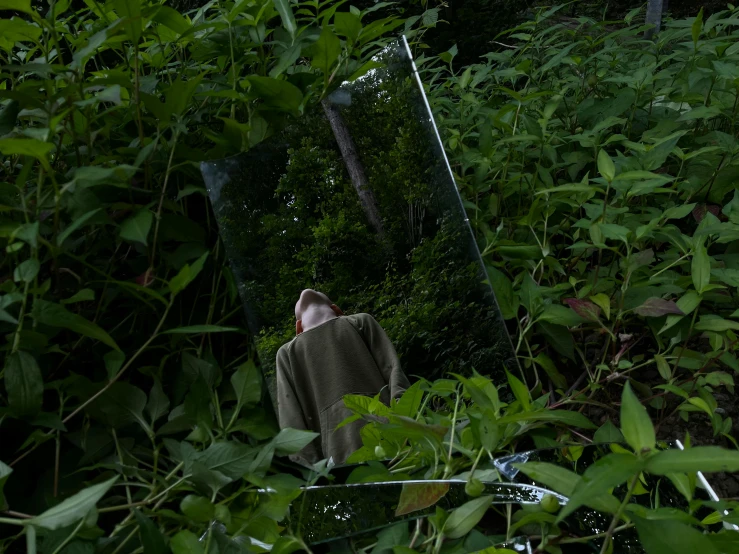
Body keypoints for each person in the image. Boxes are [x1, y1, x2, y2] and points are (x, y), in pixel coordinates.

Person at [275, 289, 410, 465]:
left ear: (337, 310)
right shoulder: (287, 354)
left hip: (392, 444)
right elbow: (292, 423)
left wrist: (405, 426)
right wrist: (311, 474)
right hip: (337, 464)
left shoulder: (360, 322)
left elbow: (394, 373)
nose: (307, 291)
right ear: (298, 328)